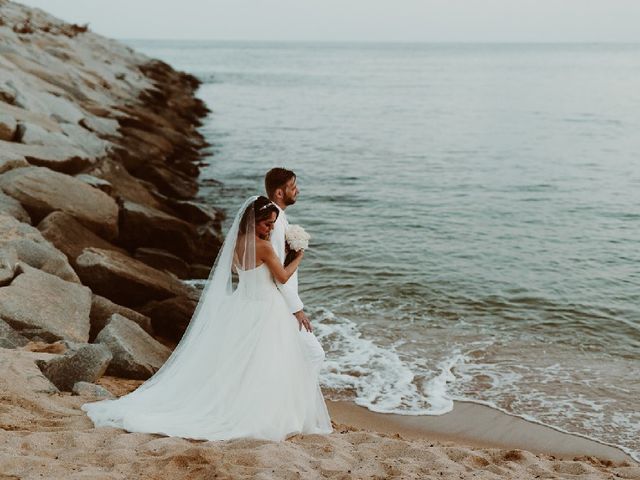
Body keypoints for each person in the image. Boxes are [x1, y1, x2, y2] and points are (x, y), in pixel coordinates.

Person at [81, 196, 332, 441]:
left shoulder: (237, 244)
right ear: (253, 221)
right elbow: (283, 277)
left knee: (240, 364)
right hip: (266, 308)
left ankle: (243, 405)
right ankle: (267, 412)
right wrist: (298, 255)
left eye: (273, 225)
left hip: (243, 305)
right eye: (267, 224)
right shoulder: (264, 247)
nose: (271, 229)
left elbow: (243, 271)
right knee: (267, 362)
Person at [265, 168, 326, 375]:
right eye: (292, 187)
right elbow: (279, 275)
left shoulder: (278, 218)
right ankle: (300, 404)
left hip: (281, 302)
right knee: (314, 354)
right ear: (279, 193)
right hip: (281, 304)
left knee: (285, 357)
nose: (297, 191)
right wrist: (297, 310)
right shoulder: (274, 222)